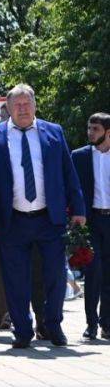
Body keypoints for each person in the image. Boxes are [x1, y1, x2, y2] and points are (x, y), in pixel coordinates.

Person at [0, 84, 85, 348]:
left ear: (35, 105)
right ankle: (23, 332)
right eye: (17, 105)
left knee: (55, 277)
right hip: (12, 220)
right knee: (15, 280)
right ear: (8, 108)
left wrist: (79, 208)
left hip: (49, 219)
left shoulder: (54, 132)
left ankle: (54, 325)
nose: (23, 109)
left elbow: (68, 173)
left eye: (27, 104)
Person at [72, 112, 110, 340]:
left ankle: (107, 323)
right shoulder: (79, 157)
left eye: (95, 129)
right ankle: (91, 324)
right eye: (89, 128)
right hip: (91, 221)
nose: (90, 133)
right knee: (93, 272)